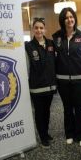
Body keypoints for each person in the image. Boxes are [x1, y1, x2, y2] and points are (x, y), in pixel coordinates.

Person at [52, 7, 81, 147]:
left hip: (79, 78)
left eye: (71, 17)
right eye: (66, 17)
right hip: (62, 79)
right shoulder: (56, 37)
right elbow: (52, 56)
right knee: (67, 108)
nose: (70, 19)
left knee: (79, 108)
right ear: (62, 20)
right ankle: (69, 133)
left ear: (74, 18)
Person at [25, 18, 56, 148]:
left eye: (41, 28)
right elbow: (26, 67)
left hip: (49, 85)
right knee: (39, 112)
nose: (39, 30)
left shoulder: (50, 43)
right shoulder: (28, 46)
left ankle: (46, 132)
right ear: (33, 29)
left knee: (47, 111)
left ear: (45, 29)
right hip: (36, 87)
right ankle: (42, 136)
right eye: (36, 28)